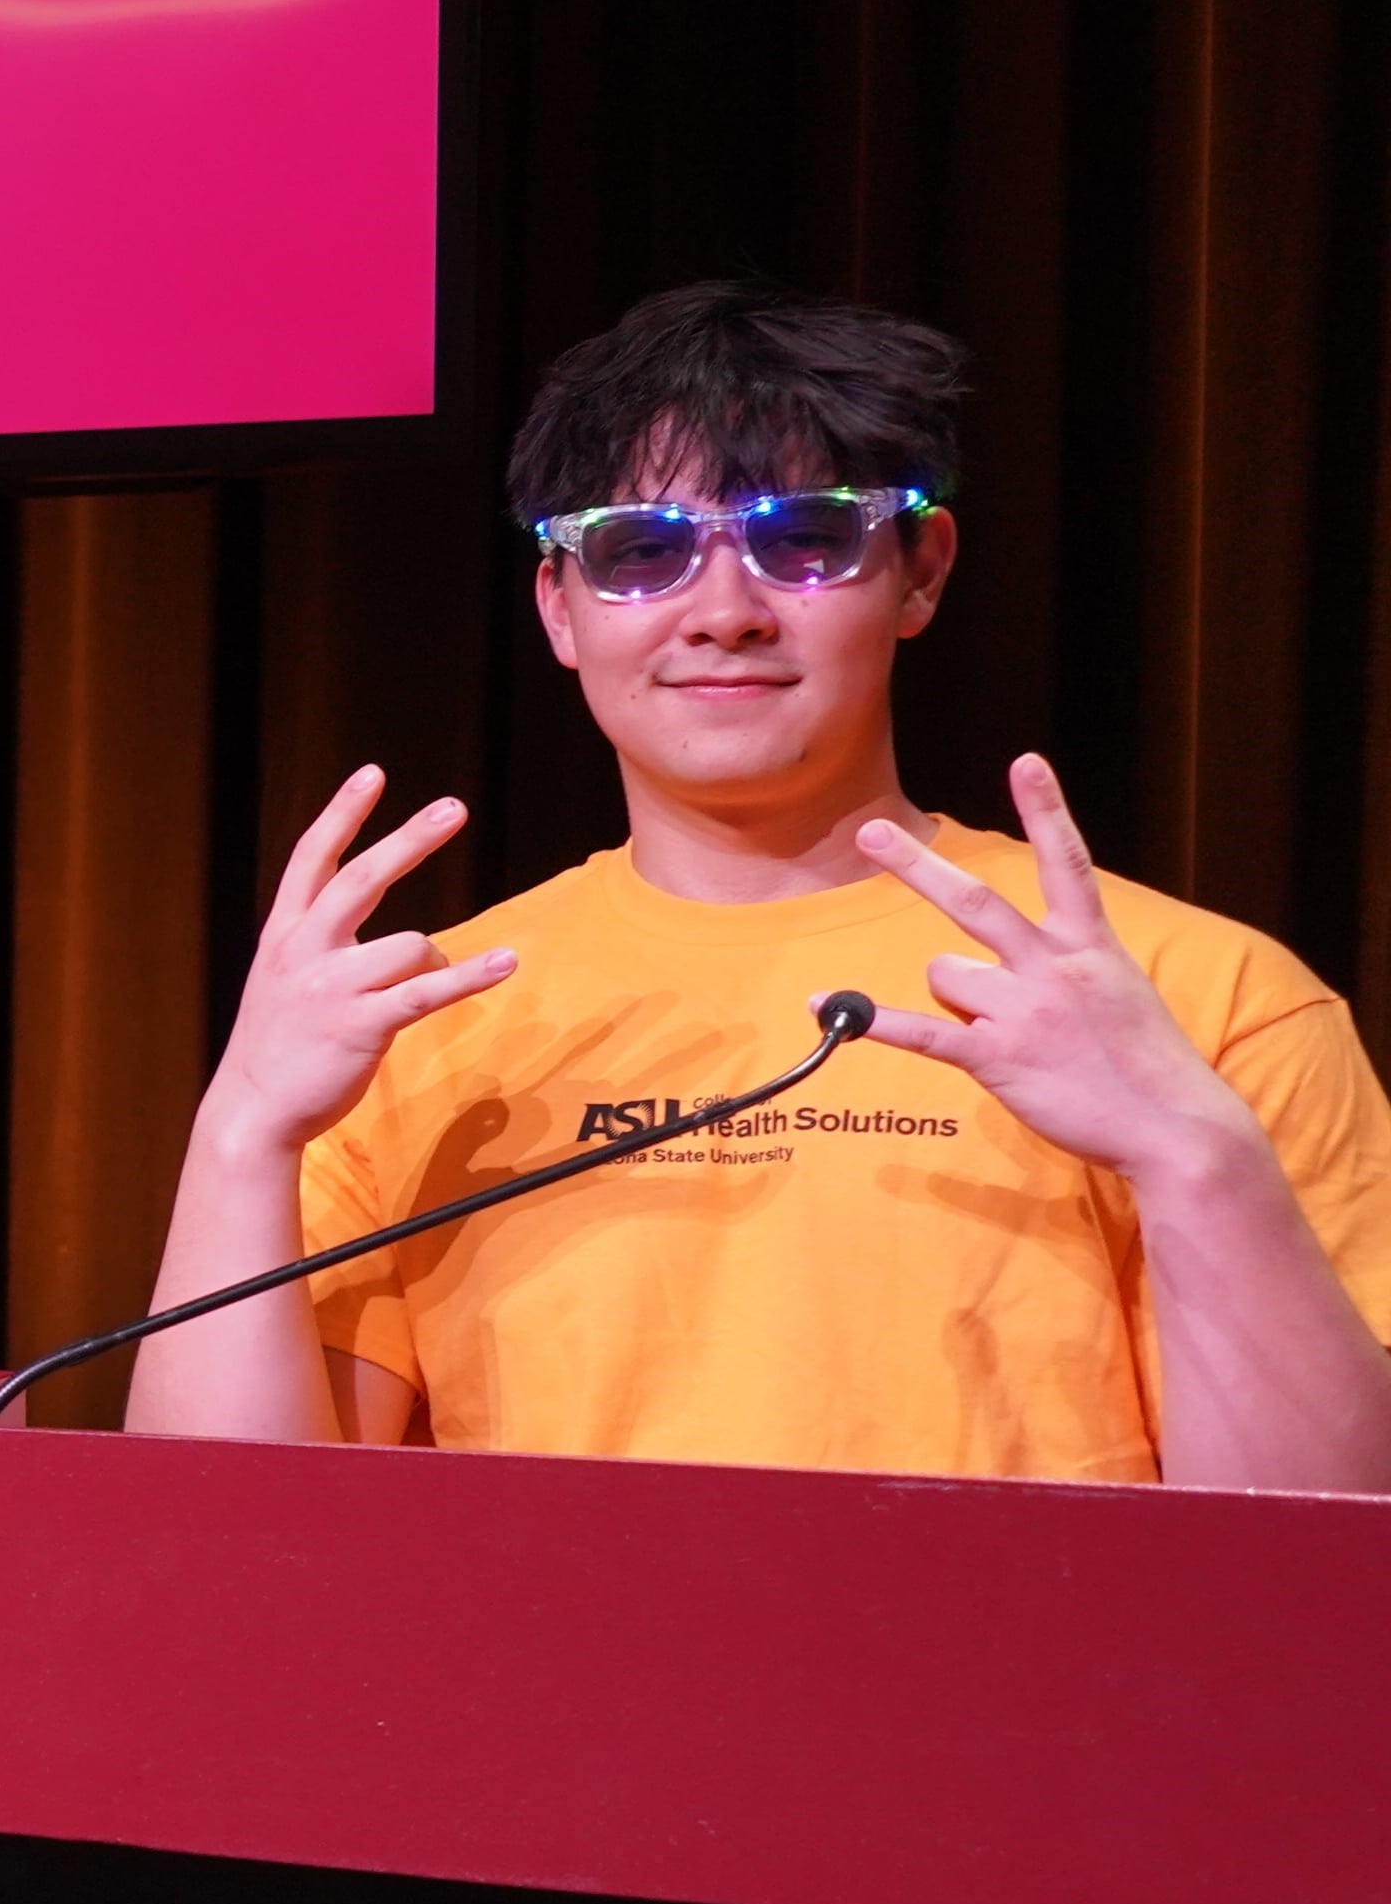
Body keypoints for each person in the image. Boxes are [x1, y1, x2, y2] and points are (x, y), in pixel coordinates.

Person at [126, 278, 1391, 1485]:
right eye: (639, 552)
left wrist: (1188, 1158)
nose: (724, 609)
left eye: (803, 539)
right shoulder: (418, 1026)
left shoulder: (1192, 996)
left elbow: (1321, 1567)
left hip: (1044, 1708)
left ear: (923, 570)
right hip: (553, 1708)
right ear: (560, 611)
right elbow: (219, 1554)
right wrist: (242, 1131)